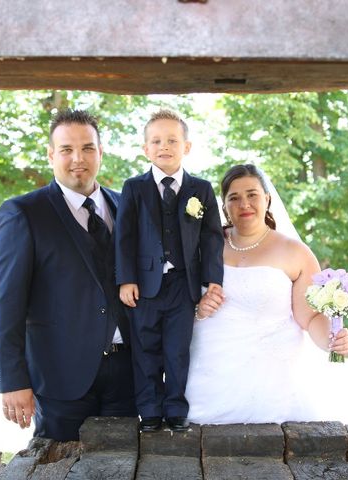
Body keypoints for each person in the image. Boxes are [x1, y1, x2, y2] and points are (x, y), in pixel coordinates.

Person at [0, 109, 136, 442]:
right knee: (58, 467)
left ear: (101, 153)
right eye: (67, 149)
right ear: (51, 155)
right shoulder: (23, 213)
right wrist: (13, 381)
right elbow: (5, 304)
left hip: (128, 373)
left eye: (87, 148)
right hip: (59, 376)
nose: (78, 159)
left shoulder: (127, 206)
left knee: (122, 466)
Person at [185, 164, 348, 425]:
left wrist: (332, 340)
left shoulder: (295, 252)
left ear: (267, 199)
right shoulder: (204, 245)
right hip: (207, 377)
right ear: (224, 206)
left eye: (252, 194)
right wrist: (199, 309)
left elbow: (309, 317)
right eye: (234, 198)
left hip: (269, 383)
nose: (244, 204)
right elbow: (179, 302)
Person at [115, 109, 224, 432]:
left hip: (182, 284)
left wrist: (212, 282)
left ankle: (175, 407)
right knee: (145, 349)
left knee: (177, 349)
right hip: (144, 286)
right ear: (146, 149)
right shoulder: (134, 188)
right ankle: (149, 409)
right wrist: (126, 279)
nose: (165, 146)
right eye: (157, 141)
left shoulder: (200, 189)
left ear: (186, 147)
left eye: (172, 140)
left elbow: (212, 237)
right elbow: (124, 237)